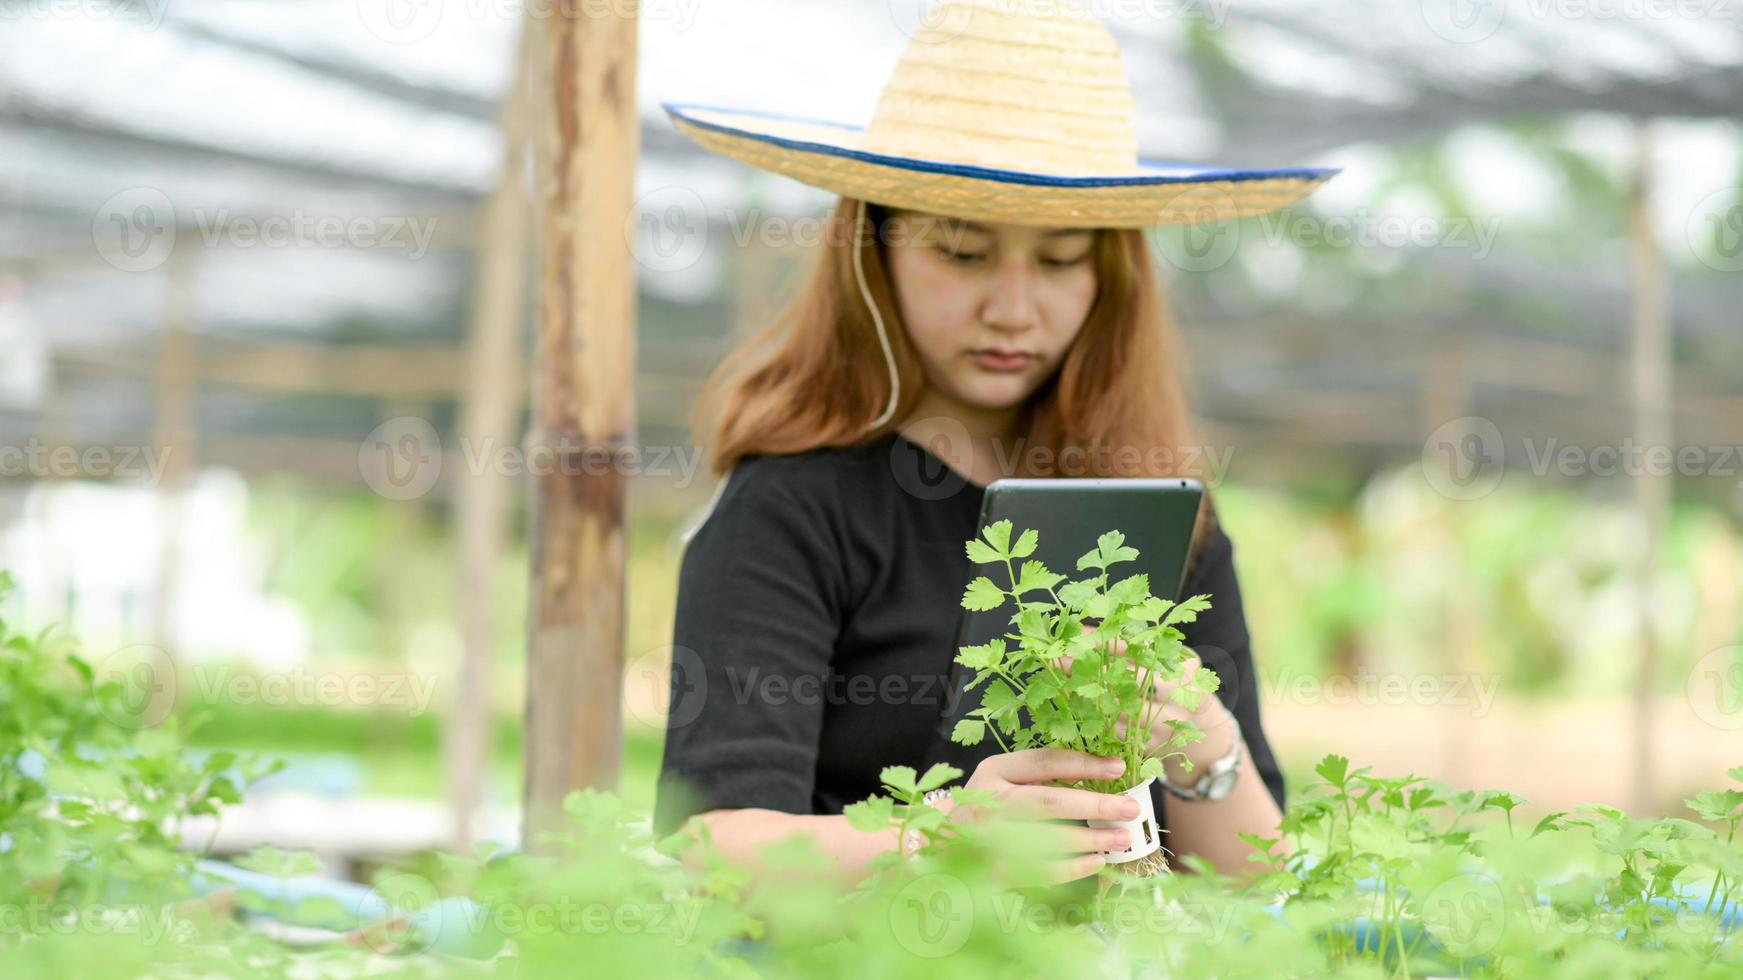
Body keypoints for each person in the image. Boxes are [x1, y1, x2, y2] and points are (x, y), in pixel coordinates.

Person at [652, 0, 1336, 886]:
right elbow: (709, 845)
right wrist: (950, 836)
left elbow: (1260, 883)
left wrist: (1204, 746)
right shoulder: (792, 504)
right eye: (964, 253)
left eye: (1059, 262)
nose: (1012, 309)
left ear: (1111, 274)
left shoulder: (1160, 513)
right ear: (876, 251)